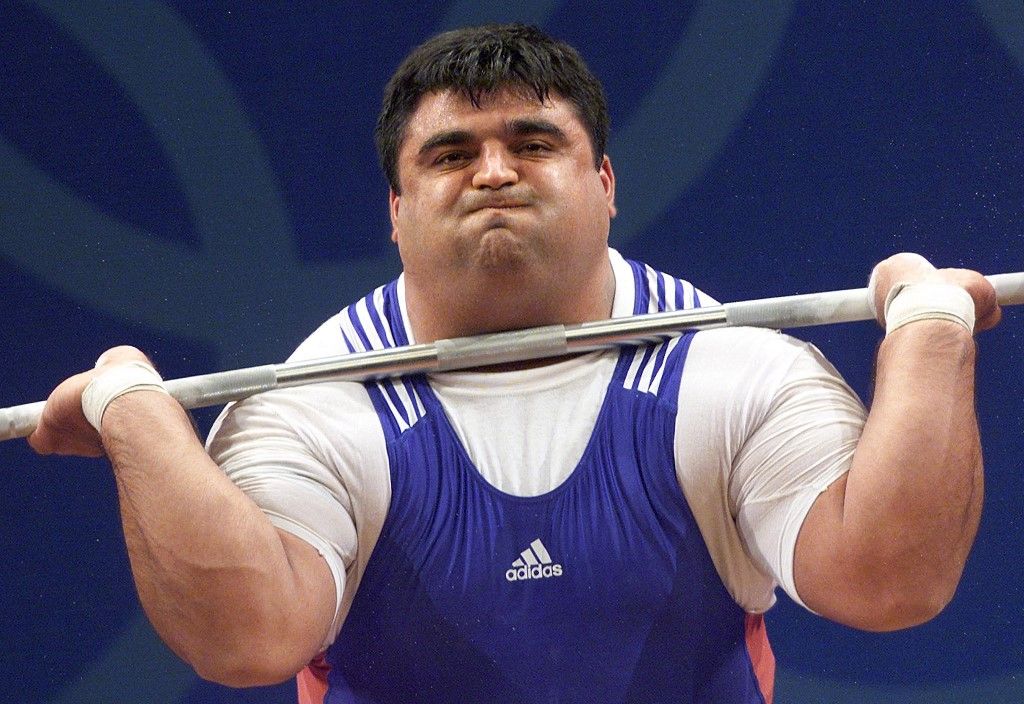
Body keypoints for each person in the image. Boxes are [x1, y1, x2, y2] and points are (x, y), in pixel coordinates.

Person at [28, 23, 1000, 704]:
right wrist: (133, 406)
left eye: (532, 142)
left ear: (604, 182)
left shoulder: (732, 370)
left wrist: (928, 327)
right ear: (396, 210)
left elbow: (890, 580)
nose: (494, 171)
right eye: (450, 154)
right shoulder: (312, 406)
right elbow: (244, 640)